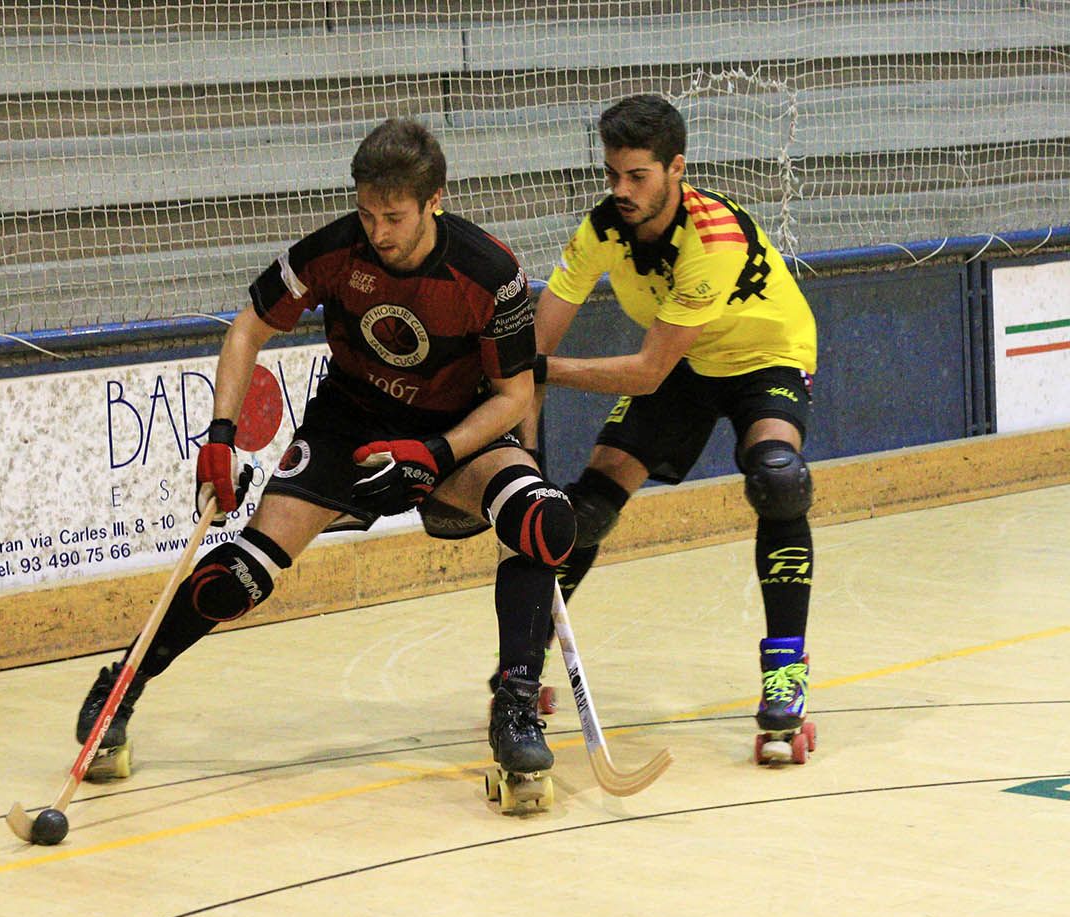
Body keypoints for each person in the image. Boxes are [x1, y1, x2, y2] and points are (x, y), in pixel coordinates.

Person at [74, 117, 577, 802]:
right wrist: (220, 432)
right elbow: (251, 323)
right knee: (237, 578)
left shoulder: (490, 274)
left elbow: (515, 396)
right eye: (367, 214)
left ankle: (514, 707)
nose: (379, 231)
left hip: (458, 435)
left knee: (545, 522)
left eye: (393, 216)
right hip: (353, 427)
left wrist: (434, 452)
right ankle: (122, 684)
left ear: (436, 200)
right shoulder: (335, 251)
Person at [531, 93, 819, 763]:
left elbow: (644, 370)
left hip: (762, 353)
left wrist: (544, 371)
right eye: (612, 174)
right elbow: (539, 339)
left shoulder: (709, 238)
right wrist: (521, 427)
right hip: (685, 359)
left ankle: (785, 675)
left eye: (638, 176)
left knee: (778, 479)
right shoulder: (601, 228)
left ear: (676, 168)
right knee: (587, 509)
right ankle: (522, 660)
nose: (622, 191)